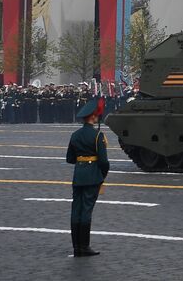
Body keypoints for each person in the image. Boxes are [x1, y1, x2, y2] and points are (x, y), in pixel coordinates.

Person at [65, 96, 110, 257]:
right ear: (93, 117)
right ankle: (84, 246)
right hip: (92, 176)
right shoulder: (98, 136)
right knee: (86, 211)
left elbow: (70, 158)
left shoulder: (75, 135)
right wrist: (101, 176)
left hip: (78, 176)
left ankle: (76, 247)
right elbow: (104, 162)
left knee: (76, 210)